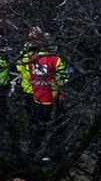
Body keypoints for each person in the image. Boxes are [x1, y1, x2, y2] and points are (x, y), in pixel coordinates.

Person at [17, 28, 68, 160]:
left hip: (36, 96)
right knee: (56, 127)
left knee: (37, 128)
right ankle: (54, 154)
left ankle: (34, 152)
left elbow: (20, 67)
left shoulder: (30, 57)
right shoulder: (54, 59)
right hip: (53, 98)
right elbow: (63, 78)